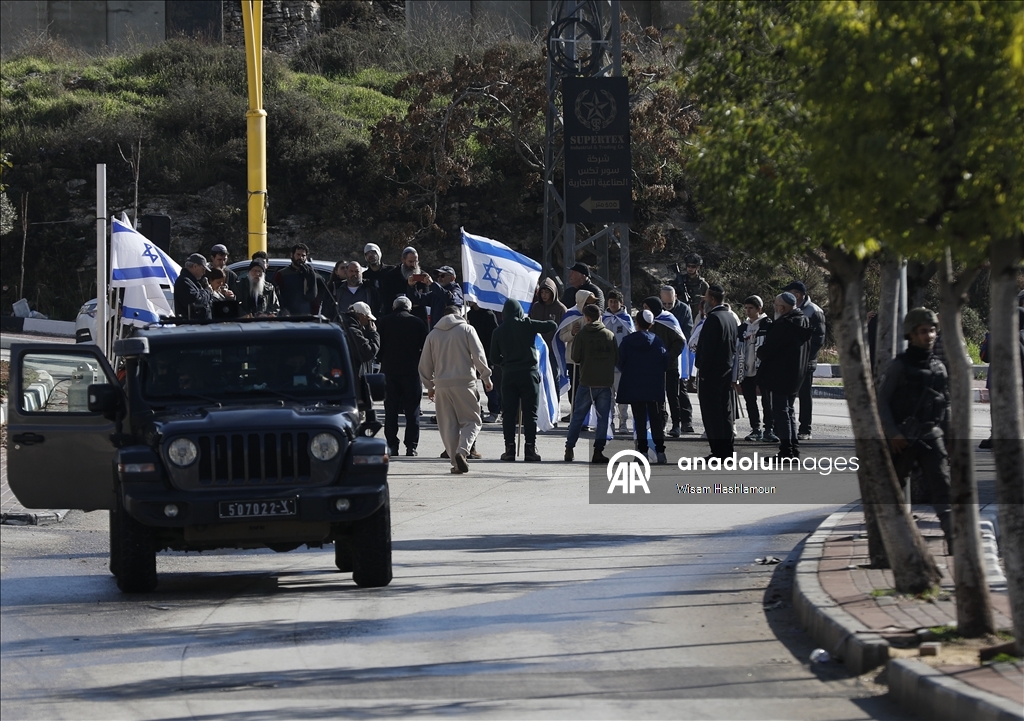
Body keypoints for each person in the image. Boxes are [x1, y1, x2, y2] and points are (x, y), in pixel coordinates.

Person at [878, 307, 954, 554]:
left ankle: (954, 540)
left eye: (932, 331)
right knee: (893, 492)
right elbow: (883, 402)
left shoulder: (938, 368)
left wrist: (950, 439)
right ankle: (888, 543)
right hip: (903, 438)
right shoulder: (899, 367)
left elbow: (945, 405)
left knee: (943, 489)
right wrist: (893, 433)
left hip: (931, 436)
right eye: (923, 332)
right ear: (911, 334)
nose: (929, 336)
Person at [418, 306, 493, 474]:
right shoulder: (467, 329)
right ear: (460, 315)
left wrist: (429, 387)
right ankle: (463, 451)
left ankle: (455, 461)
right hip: (465, 382)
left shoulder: (433, 335)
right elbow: (478, 354)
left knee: (448, 425)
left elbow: (424, 365)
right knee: (472, 420)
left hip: (442, 385)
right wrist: (486, 376)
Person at [489, 298, 558, 462]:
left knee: (508, 413)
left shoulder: (498, 331)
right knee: (530, 413)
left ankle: (509, 450)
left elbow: (493, 357)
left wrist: (505, 363)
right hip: (529, 374)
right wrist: (529, 321)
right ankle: (530, 449)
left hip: (509, 375)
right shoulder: (527, 324)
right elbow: (552, 326)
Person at [757, 293, 812, 459]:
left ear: (782, 308)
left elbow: (769, 349)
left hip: (780, 374)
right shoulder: (804, 321)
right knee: (789, 411)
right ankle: (793, 449)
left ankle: (786, 451)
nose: (775, 308)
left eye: (776, 305)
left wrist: (760, 351)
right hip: (797, 374)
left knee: (781, 412)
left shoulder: (783, 324)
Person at [564, 304, 618, 464]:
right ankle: (598, 452)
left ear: (586, 318)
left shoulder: (582, 335)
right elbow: (616, 358)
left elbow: (575, 357)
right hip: (604, 383)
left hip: (586, 381)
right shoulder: (609, 335)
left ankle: (569, 448)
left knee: (577, 417)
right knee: (602, 419)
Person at [377, 296, 429, 456]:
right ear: (409, 308)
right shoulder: (418, 322)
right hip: (411, 372)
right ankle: (411, 446)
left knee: (390, 410)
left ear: (394, 307)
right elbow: (424, 347)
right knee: (412, 411)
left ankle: (392, 445)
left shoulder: (383, 321)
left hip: (389, 371)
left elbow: (379, 347)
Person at [617, 310, 669, 464]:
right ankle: (660, 452)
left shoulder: (628, 341)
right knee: (655, 419)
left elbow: (620, 361)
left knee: (639, 419)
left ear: (637, 323)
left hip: (634, 385)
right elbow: (665, 361)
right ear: (651, 324)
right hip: (654, 385)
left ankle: (642, 452)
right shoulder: (657, 341)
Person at [694, 285, 738, 459]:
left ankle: (718, 451)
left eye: (705, 298)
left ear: (712, 299)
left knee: (712, 413)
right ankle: (727, 449)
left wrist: (702, 371)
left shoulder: (713, 319)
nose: (704, 301)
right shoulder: (730, 317)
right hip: (726, 369)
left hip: (711, 372)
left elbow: (707, 349)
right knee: (725, 411)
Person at [783, 281, 826, 440]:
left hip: (805, 361)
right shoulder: (789, 310)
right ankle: (787, 428)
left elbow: (818, 339)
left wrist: (804, 356)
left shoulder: (814, 311)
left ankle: (805, 429)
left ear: (798, 295)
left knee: (804, 395)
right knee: (788, 396)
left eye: (789, 292)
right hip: (790, 360)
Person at [642, 296, 691, 436]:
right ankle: (660, 423)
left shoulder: (668, 320)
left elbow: (680, 341)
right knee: (657, 396)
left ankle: (676, 424)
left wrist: (669, 356)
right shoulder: (648, 322)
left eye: (647, 308)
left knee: (672, 395)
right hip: (653, 366)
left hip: (670, 365)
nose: (645, 310)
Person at [736, 295, 775, 442]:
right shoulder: (743, 328)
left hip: (763, 369)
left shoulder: (768, 325)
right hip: (746, 370)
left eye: (751, 308)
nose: (748, 311)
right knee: (749, 400)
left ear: (759, 309)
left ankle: (769, 429)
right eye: (746, 308)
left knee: (767, 400)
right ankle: (755, 429)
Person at [556, 289, 597, 422]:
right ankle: (574, 414)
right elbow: (562, 336)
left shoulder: (595, 314)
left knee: (587, 390)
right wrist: (572, 333)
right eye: (588, 303)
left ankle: (585, 419)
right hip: (573, 359)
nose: (590, 305)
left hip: (589, 360)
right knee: (573, 389)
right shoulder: (570, 315)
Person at [602, 289, 634, 433]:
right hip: (607, 365)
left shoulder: (626, 319)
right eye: (611, 301)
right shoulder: (604, 319)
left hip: (622, 366)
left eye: (616, 302)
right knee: (608, 397)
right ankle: (609, 422)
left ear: (621, 303)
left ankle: (623, 423)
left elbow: (631, 340)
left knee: (622, 397)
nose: (613, 304)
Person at [467, 301, 501, 422]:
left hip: (486, 354)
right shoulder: (469, 315)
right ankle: (476, 409)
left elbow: (494, 336)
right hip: (472, 353)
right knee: (472, 384)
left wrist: (492, 356)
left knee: (488, 384)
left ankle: (494, 411)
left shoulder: (488, 314)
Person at [529, 277, 567, 378]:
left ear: (553, 292)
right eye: (542, 292)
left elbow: (564, 329)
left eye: (547, 292)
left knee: (553, 377)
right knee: (538, 377)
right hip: (538, 347)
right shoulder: (536, 307)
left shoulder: (560, 309)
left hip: (554, 349)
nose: (544, 295)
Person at [381, 246, 429, 321]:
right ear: (403, 260)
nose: (414, 265)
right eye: (410, 262)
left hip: (418, 318)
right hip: (396, 319)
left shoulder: (422, 277)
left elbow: (424, 300)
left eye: (416, 262)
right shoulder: (391, 276)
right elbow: (387, 300)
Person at [273, 243, 319, 316]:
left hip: (307, 315)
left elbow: (314, 296)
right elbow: (275, 295)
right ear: (292, 255)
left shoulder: (310, 273)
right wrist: (283, 309)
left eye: (303, 255)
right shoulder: (282, 274)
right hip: (288, 315)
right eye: (298, 254)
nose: (300, 258)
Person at [342, 301, 380, 377]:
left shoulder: (342, 324)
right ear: (362, 316)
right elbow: (369, 352)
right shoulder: (354, 332)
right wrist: (374, 333)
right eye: (368, 318)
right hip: (353, 374)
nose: (368, 322)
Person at [173, 253, 213, 319]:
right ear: (195, 266)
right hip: (191, 326)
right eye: (203, 269)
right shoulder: (184, 281)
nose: (204, 272)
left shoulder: (192, 281)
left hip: (197, 326)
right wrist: (208, 292)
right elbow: (196, 301)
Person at [362, 243, 394, 316]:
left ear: (379, 253)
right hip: (372, 315)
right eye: (367, 253)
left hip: (391, 313)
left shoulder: (392, 271)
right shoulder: (364, 276)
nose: (370, 255)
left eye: (373, 252)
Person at [678, 254, 710, 320]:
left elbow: (709, 302)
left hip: (698, 318)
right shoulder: (680, 281)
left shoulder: (703, 285)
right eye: (688, 266)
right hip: (682, 317)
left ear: (698, 267)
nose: (690, 268)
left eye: (693, 266)